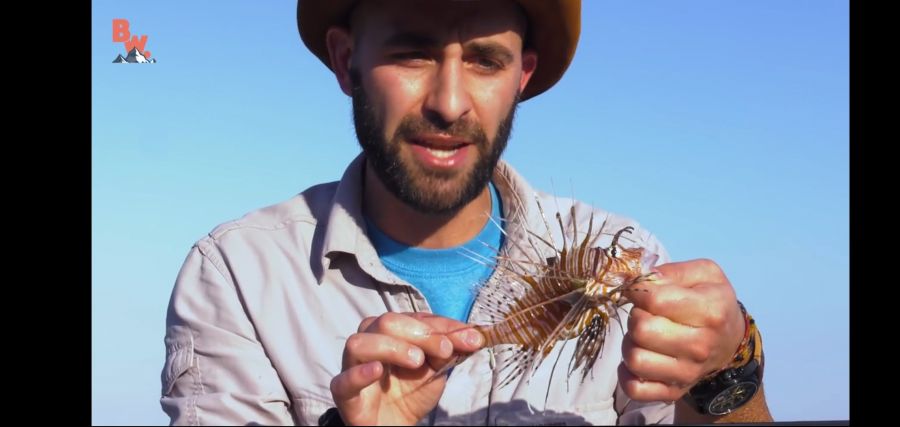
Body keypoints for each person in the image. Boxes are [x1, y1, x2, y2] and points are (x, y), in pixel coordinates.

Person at [160, 0, 773, 425]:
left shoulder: (624, 252)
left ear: (522, 75)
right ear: (347, 61)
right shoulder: (240, 275)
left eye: (485, 60)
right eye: (412, 54)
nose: (450, 104)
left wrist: (730, 367)